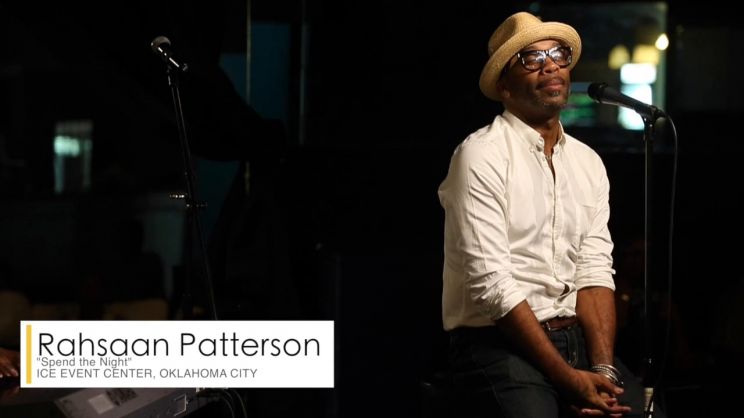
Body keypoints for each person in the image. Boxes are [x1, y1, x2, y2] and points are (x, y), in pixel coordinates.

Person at [438, 11, 647, 417]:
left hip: (576, 340)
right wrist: (569, 381)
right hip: (498, 343)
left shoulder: (587, 162)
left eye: (558, 55)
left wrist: (602, 372)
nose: (550, 65)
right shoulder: (481, 155)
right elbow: (493, 286)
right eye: (531, 59)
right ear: (504, 86)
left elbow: (594, 270)